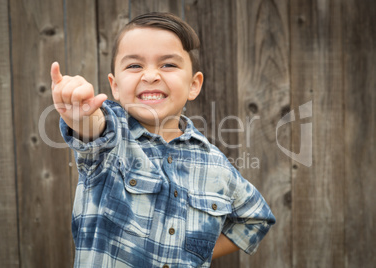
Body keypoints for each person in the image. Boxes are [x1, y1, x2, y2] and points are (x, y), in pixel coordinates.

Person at [51, 12, 275, 268]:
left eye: (168, 64)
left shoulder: (215, 164)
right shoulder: (112, 137)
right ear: (114, 86)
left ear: (194, 84)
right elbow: (93, 129)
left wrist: (192, 252)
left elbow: (256, 218)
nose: (150, 75)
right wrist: (80, 116)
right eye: (134, 65)